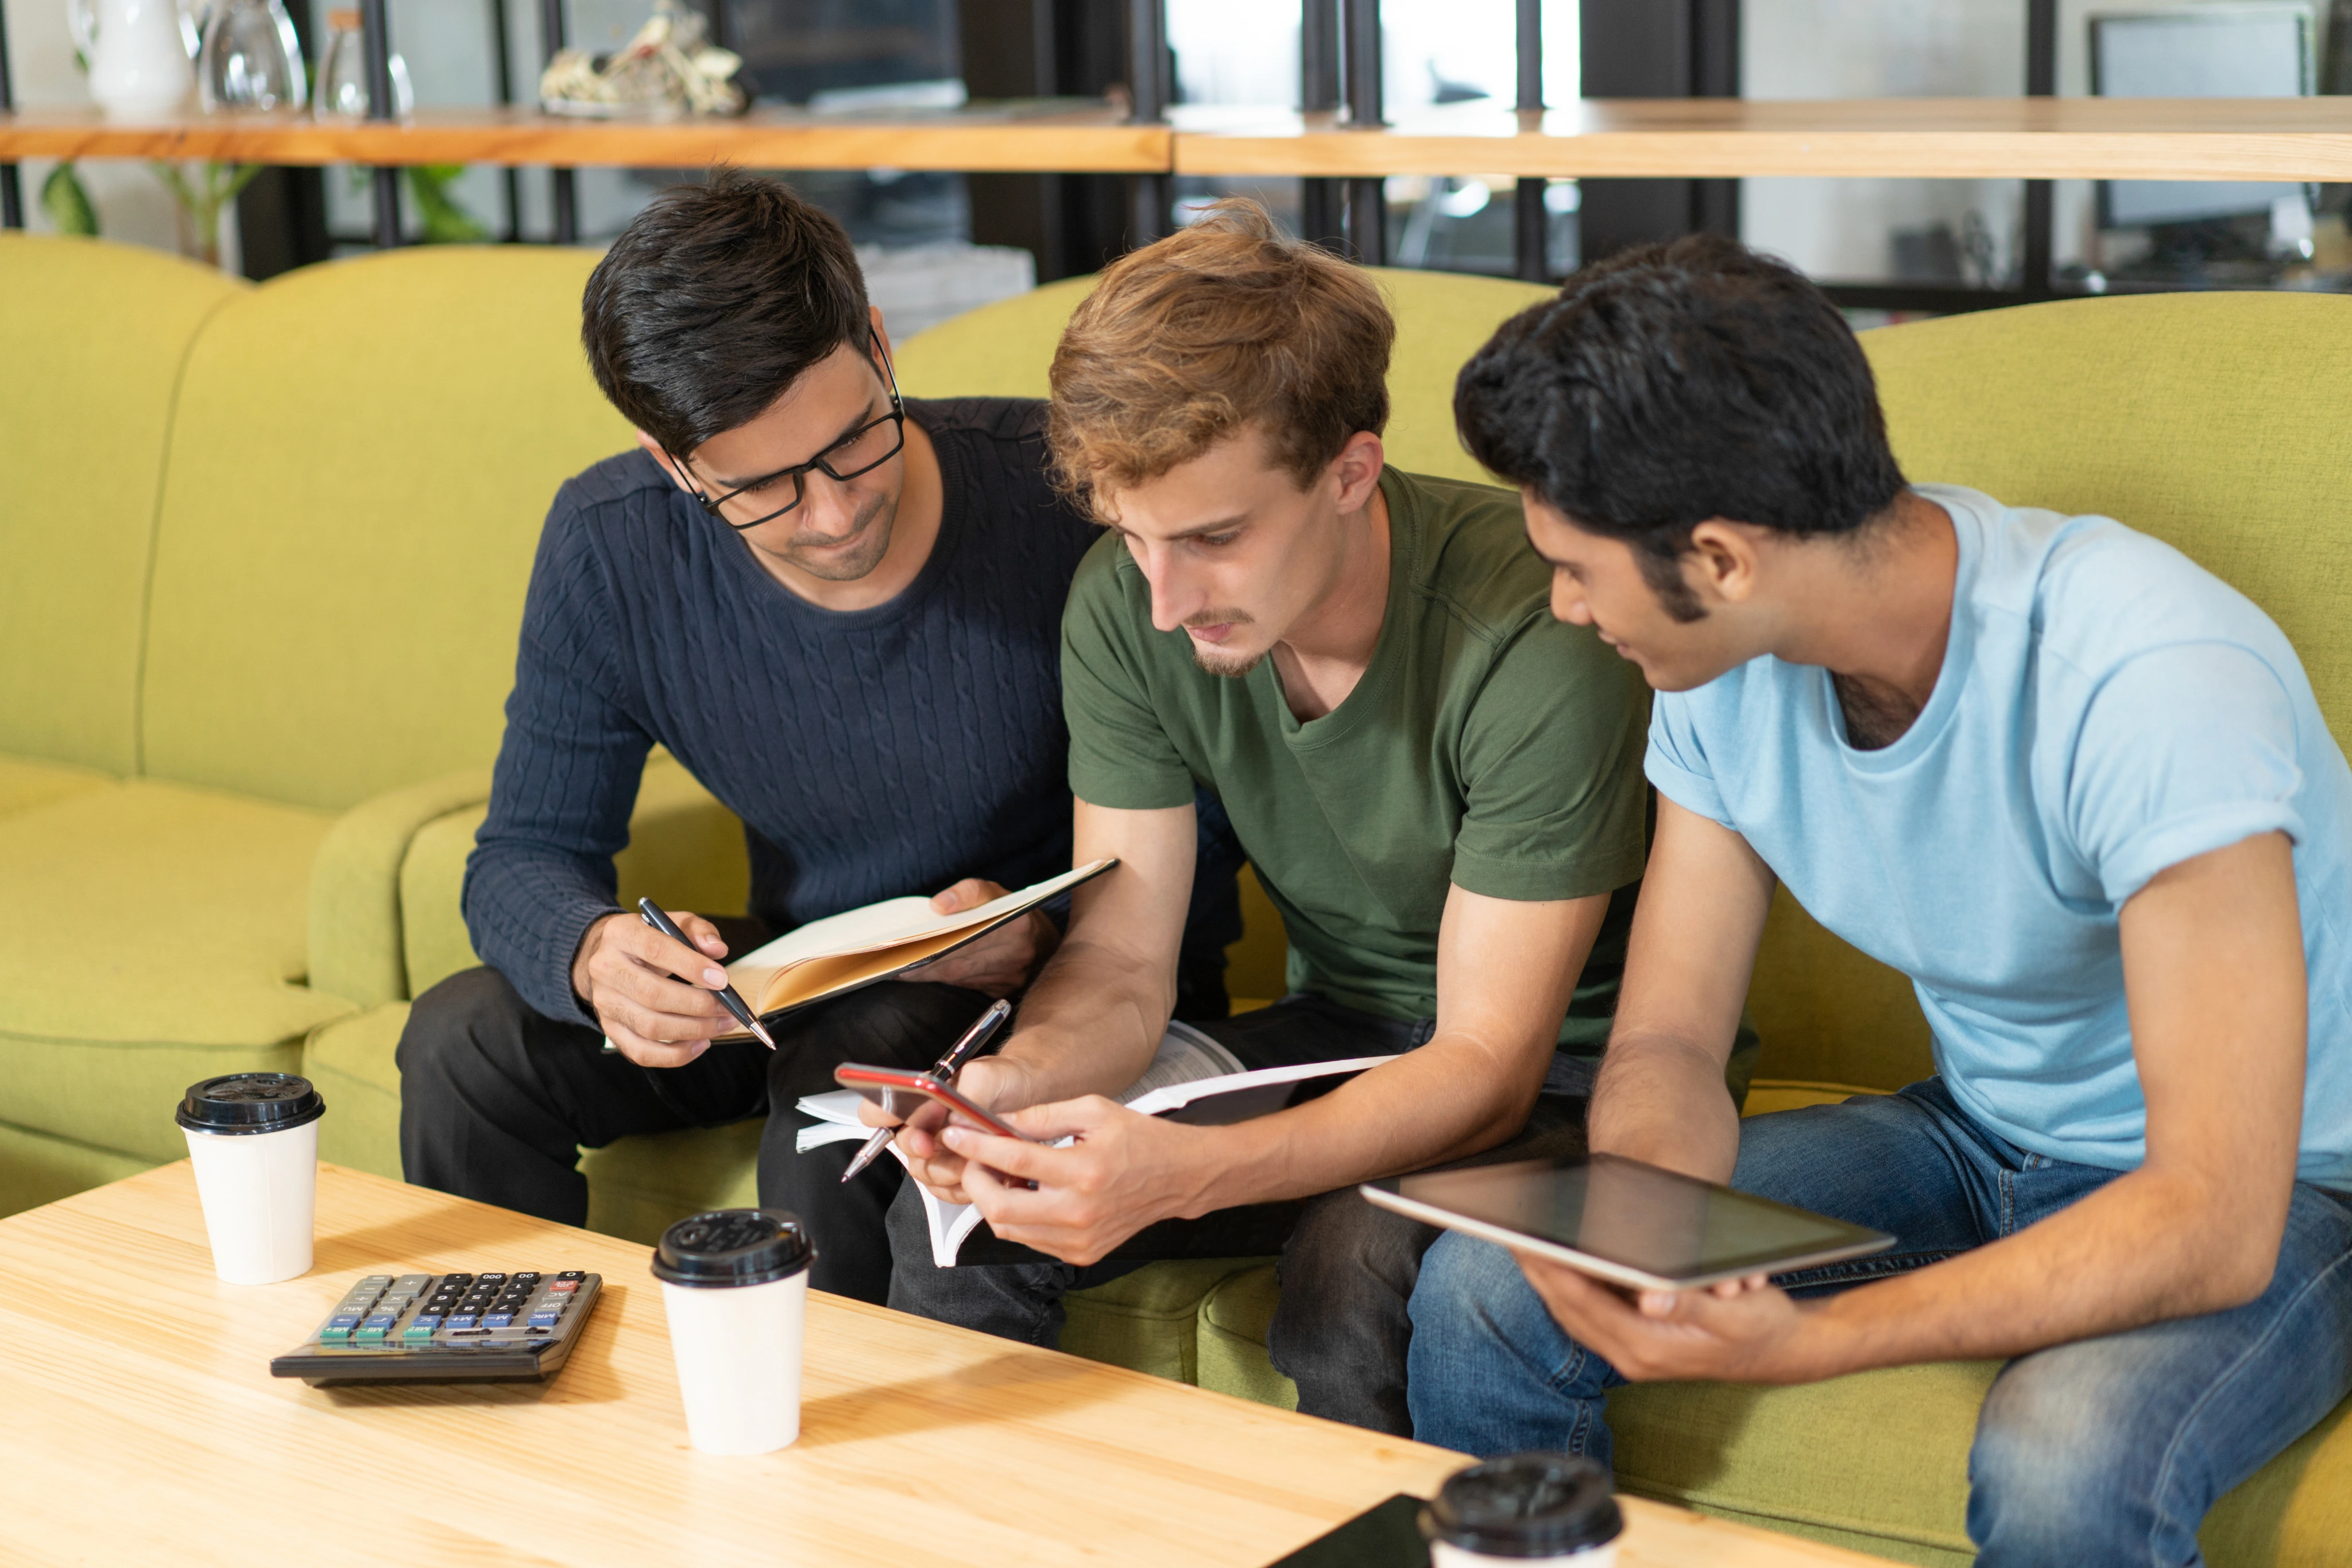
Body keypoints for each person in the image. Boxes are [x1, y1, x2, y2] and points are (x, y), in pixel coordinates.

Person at [1403, 234, 2352, 1566]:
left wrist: (1807, 1340)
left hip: (2291, 1189)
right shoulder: (1715, 676)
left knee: (2060, 1454)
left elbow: (2211, 1214)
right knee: (1485, 1295)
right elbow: (1671, 1038)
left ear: (1722, 557)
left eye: (1575, 567)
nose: (1561, 607)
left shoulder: (2145, 678)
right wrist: (1645, 1231)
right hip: (1976, 1136)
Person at [868, 202, 1653, 1437]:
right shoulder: (1125, 608)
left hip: (1569, 1072)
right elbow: (1124, 962)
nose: (1168, 601)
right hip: (1340, 1029)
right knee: (967, 1213)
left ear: (1350, 469)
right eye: (1132, 539)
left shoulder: (1533, 630)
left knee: (1350, 1276)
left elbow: (1487, 1068)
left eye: (1214, 539)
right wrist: (1007, 1089)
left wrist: (1182, 1178)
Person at [396, 170, 1241, 1306]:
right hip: (804, 970)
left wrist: (1035, 928)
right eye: (764, 488)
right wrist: (596, 956)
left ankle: (804, 1467)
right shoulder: (612, 549)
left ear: (882, 349)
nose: (834, 514)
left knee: (830, 1098)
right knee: (463, 1044)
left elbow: (1221, 824)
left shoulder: (1057, 502)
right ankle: (501, 1391)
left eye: (852, 443)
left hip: (1049, 986)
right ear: (673, 462)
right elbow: (519, 858)